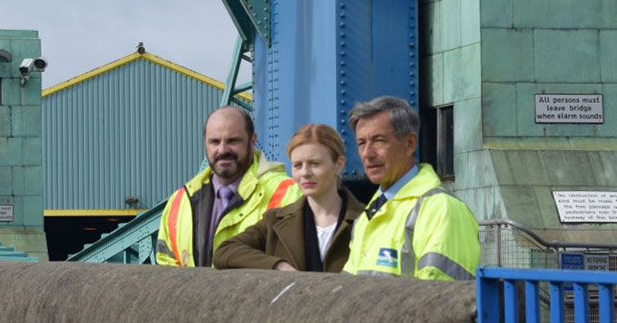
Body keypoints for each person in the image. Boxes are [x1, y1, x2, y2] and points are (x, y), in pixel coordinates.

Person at [342, 96, 480, 280]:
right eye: (361, 143)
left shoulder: (441, 209)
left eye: (379, 140)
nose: (368, 153)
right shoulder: (367, 217)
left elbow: (442, 299)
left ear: (410, 144)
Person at [155, 106, 302, 267]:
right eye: (214, 142)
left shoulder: (288, 193)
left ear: (252, 141)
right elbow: (166, 268)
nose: (223, 150)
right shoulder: (179, 202)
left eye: (232, 141)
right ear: (205, 142)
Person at [213, 124, 365, 272]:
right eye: (297, 165)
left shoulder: (367, 220)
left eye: (315, 164)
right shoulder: (274, 221)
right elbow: (225, 251)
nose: (305, 173)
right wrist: (278, 265)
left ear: (339, 165)